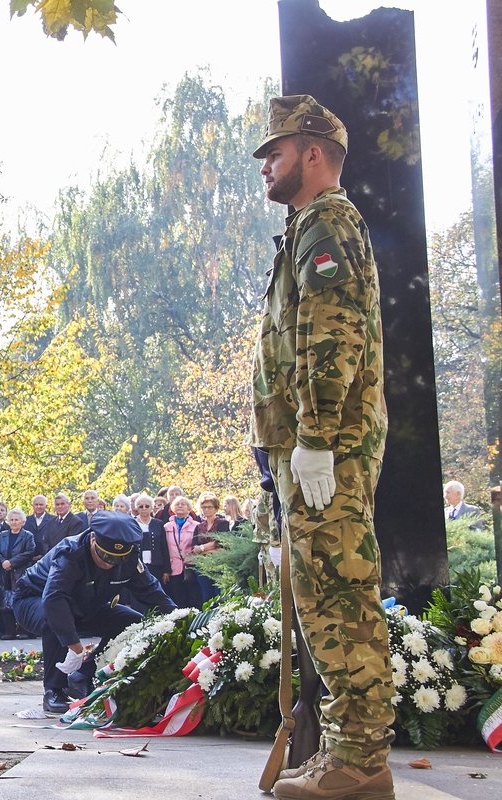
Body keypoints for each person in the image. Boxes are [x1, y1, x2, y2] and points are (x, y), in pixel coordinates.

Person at [251, 96, 394, 799]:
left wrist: (315, 438)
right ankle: (348, 755)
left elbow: (332, 334)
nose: (265, 167)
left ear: (312, 153)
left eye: (274, 153)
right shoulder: (309, 227)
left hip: (326, 451)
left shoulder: (327, 222)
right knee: (323, 598)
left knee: (340, 599)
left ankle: (360, 762)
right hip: (311, 451)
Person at [13, 512, 175, 714]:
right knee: (54, 619)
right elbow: (54, 599)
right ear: (92, 539)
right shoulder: (70, 553)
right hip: (33, 599)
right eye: (105, 556)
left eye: (116, 559)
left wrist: (180, 617)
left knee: (132, 622)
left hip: (86, 605)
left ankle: (83, 675)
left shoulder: (130, 558)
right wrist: (74, 646)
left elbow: (152, 593)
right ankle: (54, 690)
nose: (109, 564)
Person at [0, 508, 36, 639]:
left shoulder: (28, 536)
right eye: (11, 519)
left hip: (20, 574)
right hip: (4, 574)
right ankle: (9, 631)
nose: (14, 522)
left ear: (22, 522)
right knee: (5, 604)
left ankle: (24, 631)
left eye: (17, 520)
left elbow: (29, 552)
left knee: (21, 602)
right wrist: (3, 562)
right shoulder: (2, 535)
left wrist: (11, 562)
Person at [128, 493, 169, 612]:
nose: (144, 509)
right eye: (141, 506)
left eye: (147, 506)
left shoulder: (158, 523)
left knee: (156, 593)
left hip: (156, 565)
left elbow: (164, 547)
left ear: (152, 507)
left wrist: (166, 570)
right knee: (139, 593)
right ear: (137, 508)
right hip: (137, 566)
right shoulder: (132, 523)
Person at [163, 495, 203, 608]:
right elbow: (164, 549)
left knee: (194, 598)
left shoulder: (197, 526)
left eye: (183, 504)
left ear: (189, 508)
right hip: (173, 568)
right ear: (172, 508)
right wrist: (165, 570)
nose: (180, 506)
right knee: (177, 599)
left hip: (191, 567)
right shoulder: (167, 526)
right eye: (177, 504)